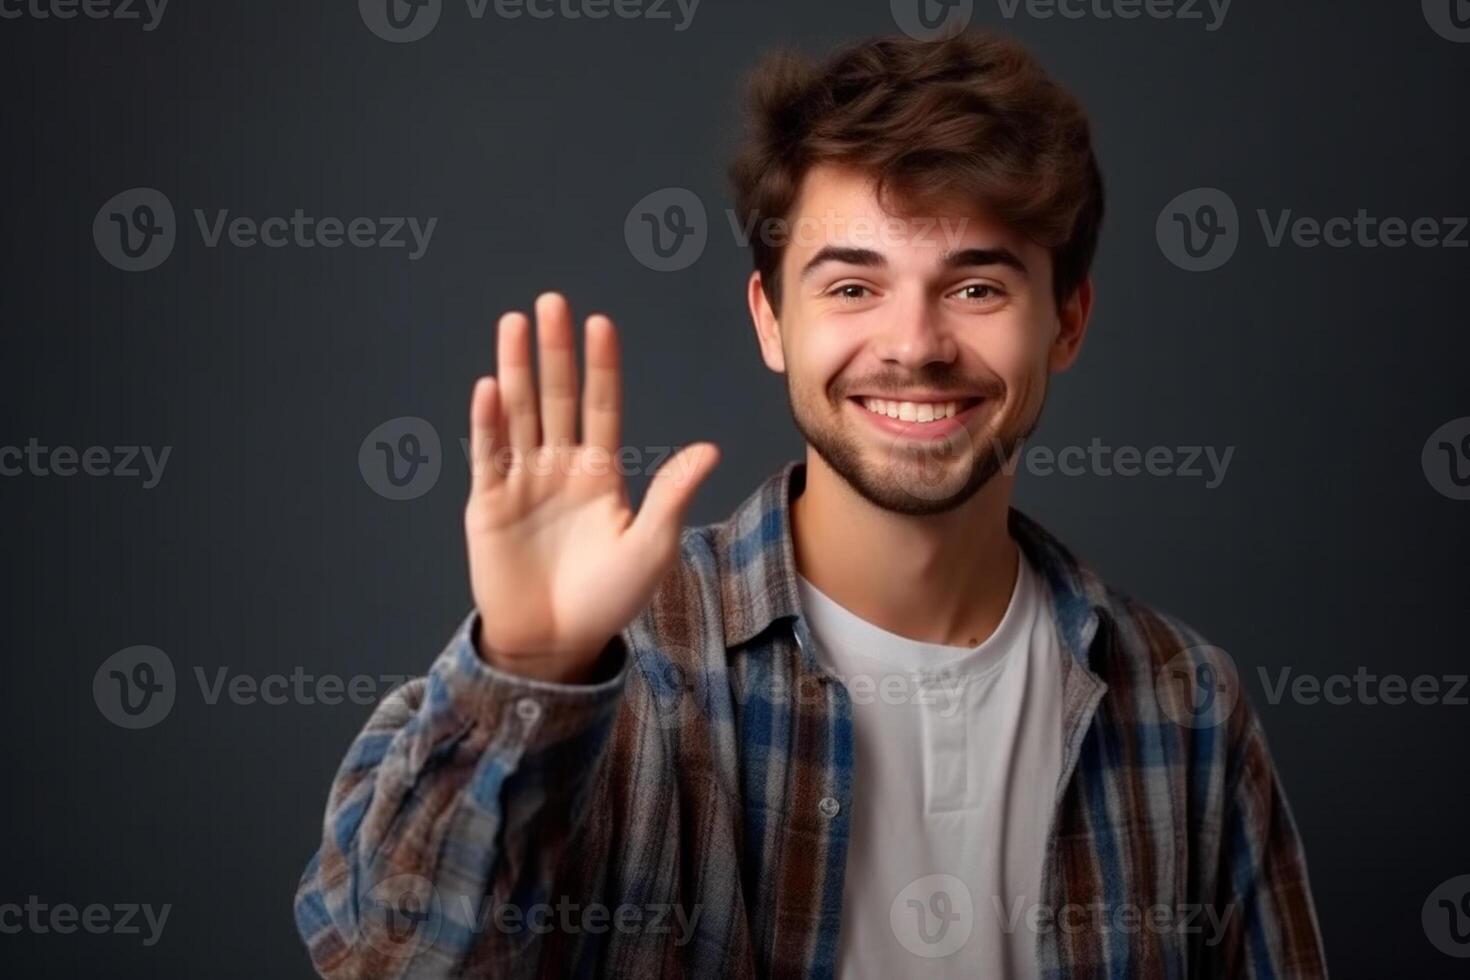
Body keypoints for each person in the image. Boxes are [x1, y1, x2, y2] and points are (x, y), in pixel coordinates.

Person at [295, 30, 1327, 979]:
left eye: (976, 286)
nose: (914, 344)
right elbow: (381, 956)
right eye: (851, 286)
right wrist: (528, 671)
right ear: (771, 320)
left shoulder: (1186, 703)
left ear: (1067, 321)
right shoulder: (624, 662)